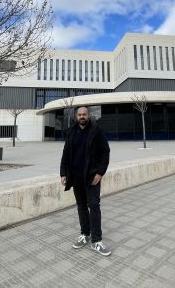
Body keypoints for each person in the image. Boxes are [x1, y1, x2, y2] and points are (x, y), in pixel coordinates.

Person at [60, 106, 111, 256]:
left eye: (84, 114)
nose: (82, 116)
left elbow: (105, 152)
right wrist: (63, 173)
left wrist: (100, 172)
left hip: (91, 177)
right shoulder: (71, 132)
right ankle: (85, 234)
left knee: (94, 206)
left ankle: (96, 240)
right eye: (80, 114)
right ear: (76, 116)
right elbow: (65, 154)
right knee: (81, 206)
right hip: (76, 177)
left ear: (88, 115)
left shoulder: (96, 131)